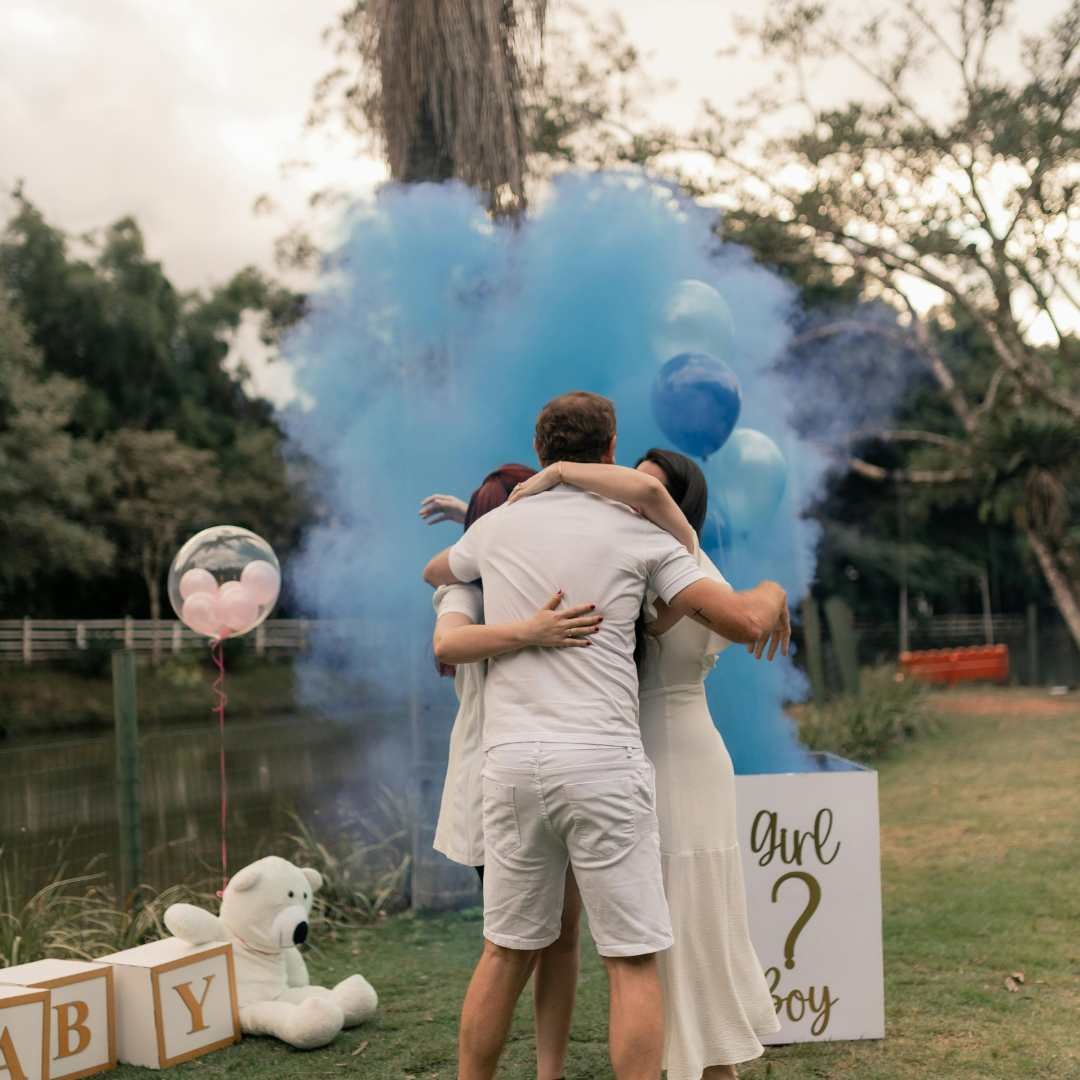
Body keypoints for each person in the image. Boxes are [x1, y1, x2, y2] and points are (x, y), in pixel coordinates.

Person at [423, 391, 790, 1080]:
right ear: (613, 451)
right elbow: (738, 621)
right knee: (631, 962)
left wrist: (480, 578)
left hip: (508, 768)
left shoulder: (496, 531)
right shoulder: (643, 535)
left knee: (504, 953)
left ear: (539, 452)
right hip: (601, 764)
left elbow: (437, 572)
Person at [510, 449, 781, 1079]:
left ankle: (709, 1065)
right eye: (625, 478)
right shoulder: (621, 561)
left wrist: (774, 590)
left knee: (696, 918)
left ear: (677, 501)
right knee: (650, 931)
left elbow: (746, 618)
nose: (627, 493)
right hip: (621, 758)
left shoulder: (683, 565)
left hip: (686, 757)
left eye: (646, 486)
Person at [421, 463, 600, 1080]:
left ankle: (550, 1070)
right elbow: (447, 645)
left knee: (564, 936)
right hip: (493, 783)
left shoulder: (529, 578)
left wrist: (466, 514)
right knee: (514, 947)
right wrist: (531, 631)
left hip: (550, 773)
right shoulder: (468, 589)